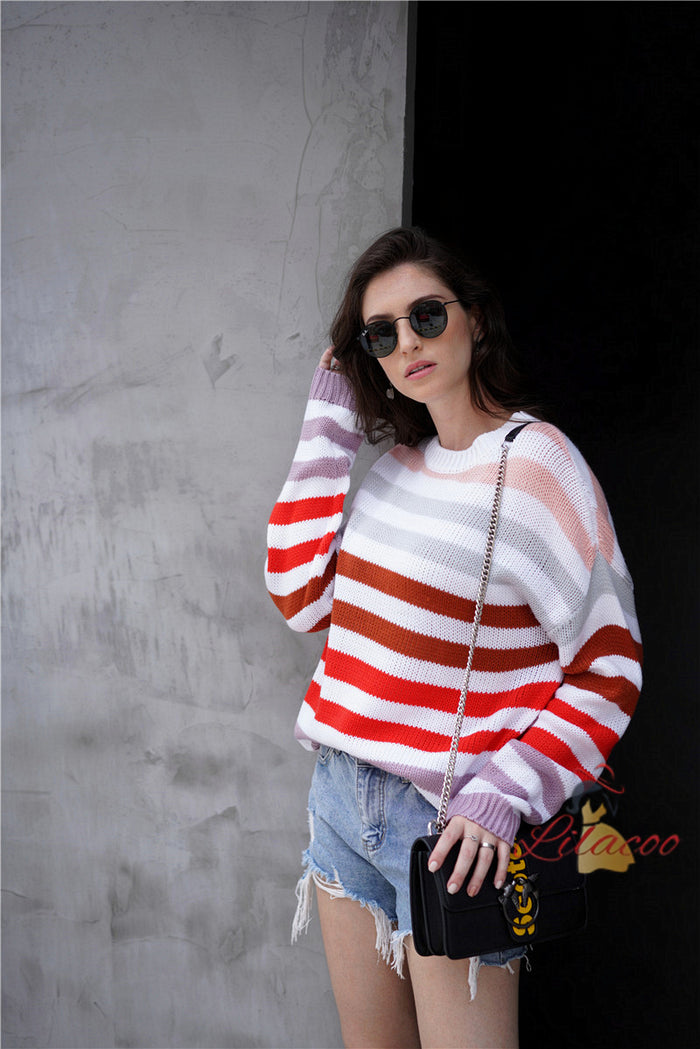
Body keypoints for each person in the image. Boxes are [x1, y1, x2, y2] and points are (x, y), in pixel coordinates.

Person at [265, 227, 642, 1048]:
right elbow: (298, 597)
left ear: (473, 317)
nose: (407, 342)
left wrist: (506, 791)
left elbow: (610, 665)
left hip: (448, 824)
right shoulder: (395, 470)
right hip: (341, 797)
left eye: (426, 316)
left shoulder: (537, 463)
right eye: (381, 334)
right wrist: (330, 422)